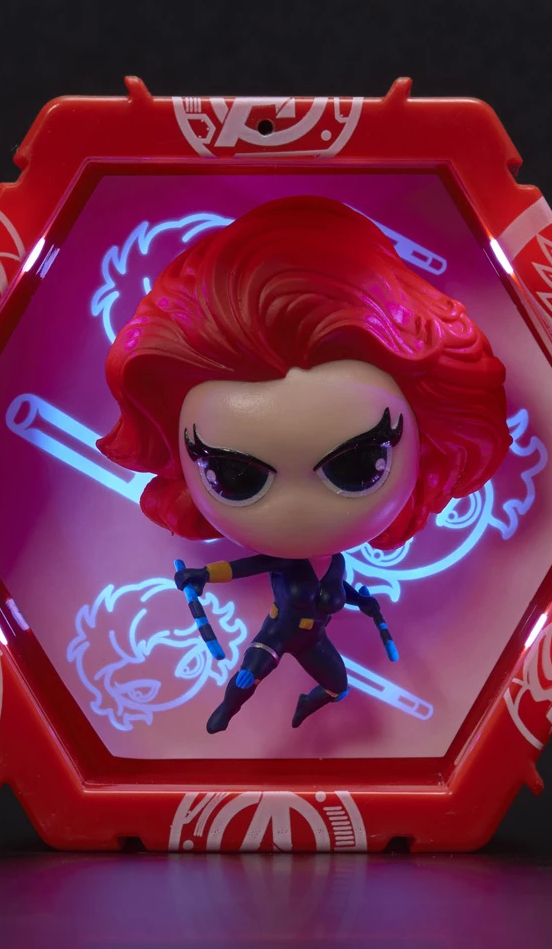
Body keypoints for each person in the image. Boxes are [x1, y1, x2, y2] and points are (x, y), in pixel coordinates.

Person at [97, 196, 509, 732]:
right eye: (235, 476)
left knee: (336, 685)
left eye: (360, 465)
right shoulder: (293, 565)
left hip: (312, 640)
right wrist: (201, 575)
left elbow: (338, 591)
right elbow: (242, 569)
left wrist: (366, 605)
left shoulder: (334, 568)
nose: (295, 512)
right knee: (248, 677)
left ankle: (302, 708)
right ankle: (224, 714)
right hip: (277, 633)